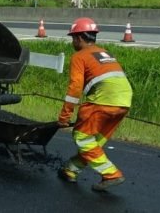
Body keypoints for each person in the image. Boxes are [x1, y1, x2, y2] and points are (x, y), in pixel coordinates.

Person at [57, 17, 133, 192]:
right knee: (94, 142)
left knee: (82, 138)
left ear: (79, 38)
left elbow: (75, 89)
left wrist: (64, 116)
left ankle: (111, 174)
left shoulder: (79, 56)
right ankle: (70, 169)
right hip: (124, 101)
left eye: (73, 38)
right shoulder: (103, 53)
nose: (72, 42)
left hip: (103, 101)